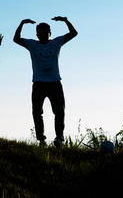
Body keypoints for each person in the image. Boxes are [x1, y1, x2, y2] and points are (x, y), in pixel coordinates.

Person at [13, 16, 78, 147]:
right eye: (40, 33)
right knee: (37, 112)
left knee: (59, 111)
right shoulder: (32, 44)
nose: (43, 35)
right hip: (39, 83)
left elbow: (73, 33)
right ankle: (41, 139)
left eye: (45, 32)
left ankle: (59, 138)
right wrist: (21, 23)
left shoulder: (56, 42)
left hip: (54, 83)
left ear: (50, 33)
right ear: (37, 34)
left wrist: (65, 20)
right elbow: (16, 39)